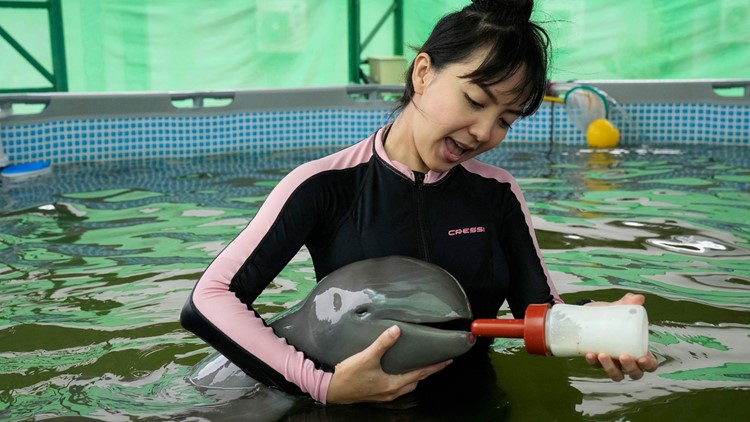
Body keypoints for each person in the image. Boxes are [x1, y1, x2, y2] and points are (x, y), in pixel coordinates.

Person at [180, 0, 658, 405]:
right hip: (352, 409)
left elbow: (539, 312)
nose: (485, 133)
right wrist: (322, 386)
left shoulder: (497, 193)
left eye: (507, 119)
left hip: (472, 403)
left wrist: (598, 327)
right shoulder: (325, 184)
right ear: (424, 73)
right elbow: (210, 299)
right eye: (474, 100)